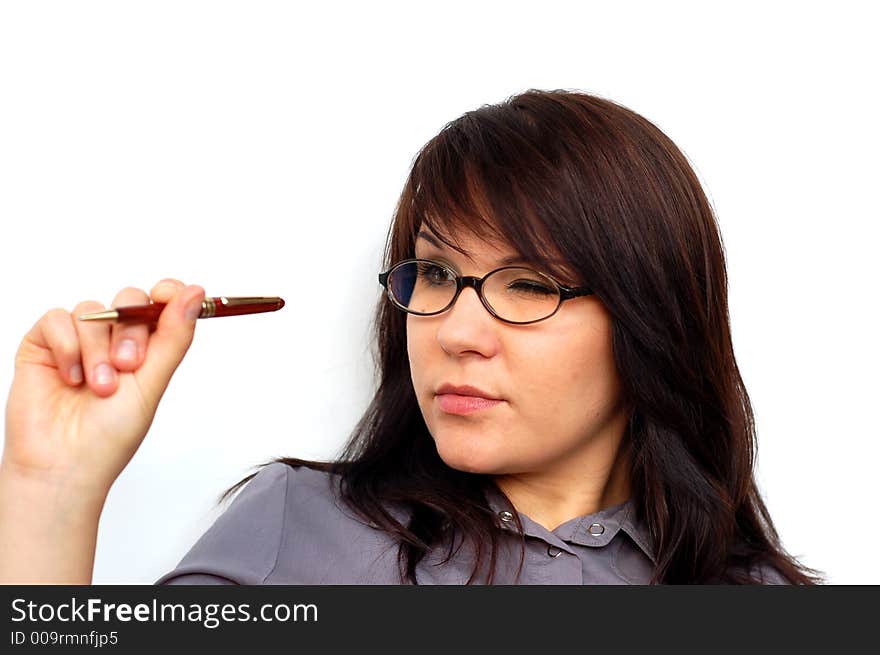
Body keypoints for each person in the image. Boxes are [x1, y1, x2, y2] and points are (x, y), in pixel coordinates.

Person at [0, 89, 823, 585]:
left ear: (651, 319)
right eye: (432, 274)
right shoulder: (298, 529)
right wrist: (51, 491)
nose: (457, 331)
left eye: (529, 284)